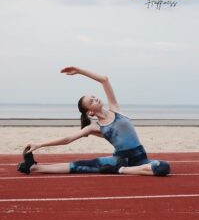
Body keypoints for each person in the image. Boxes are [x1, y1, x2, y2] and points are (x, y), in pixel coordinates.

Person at [17, 67, 170, 176]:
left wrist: (79, 71)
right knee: (78, 166)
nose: (95, 98)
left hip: (140, 161)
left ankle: (122, 170)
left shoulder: (115, 109)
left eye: (94, 96)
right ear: (90, 111)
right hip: (118, 160)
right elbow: (67, 139)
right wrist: (39, 144)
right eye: (92, 100)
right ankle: (35, 168)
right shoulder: (94, 127)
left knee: (163, 167)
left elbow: (104, 80)